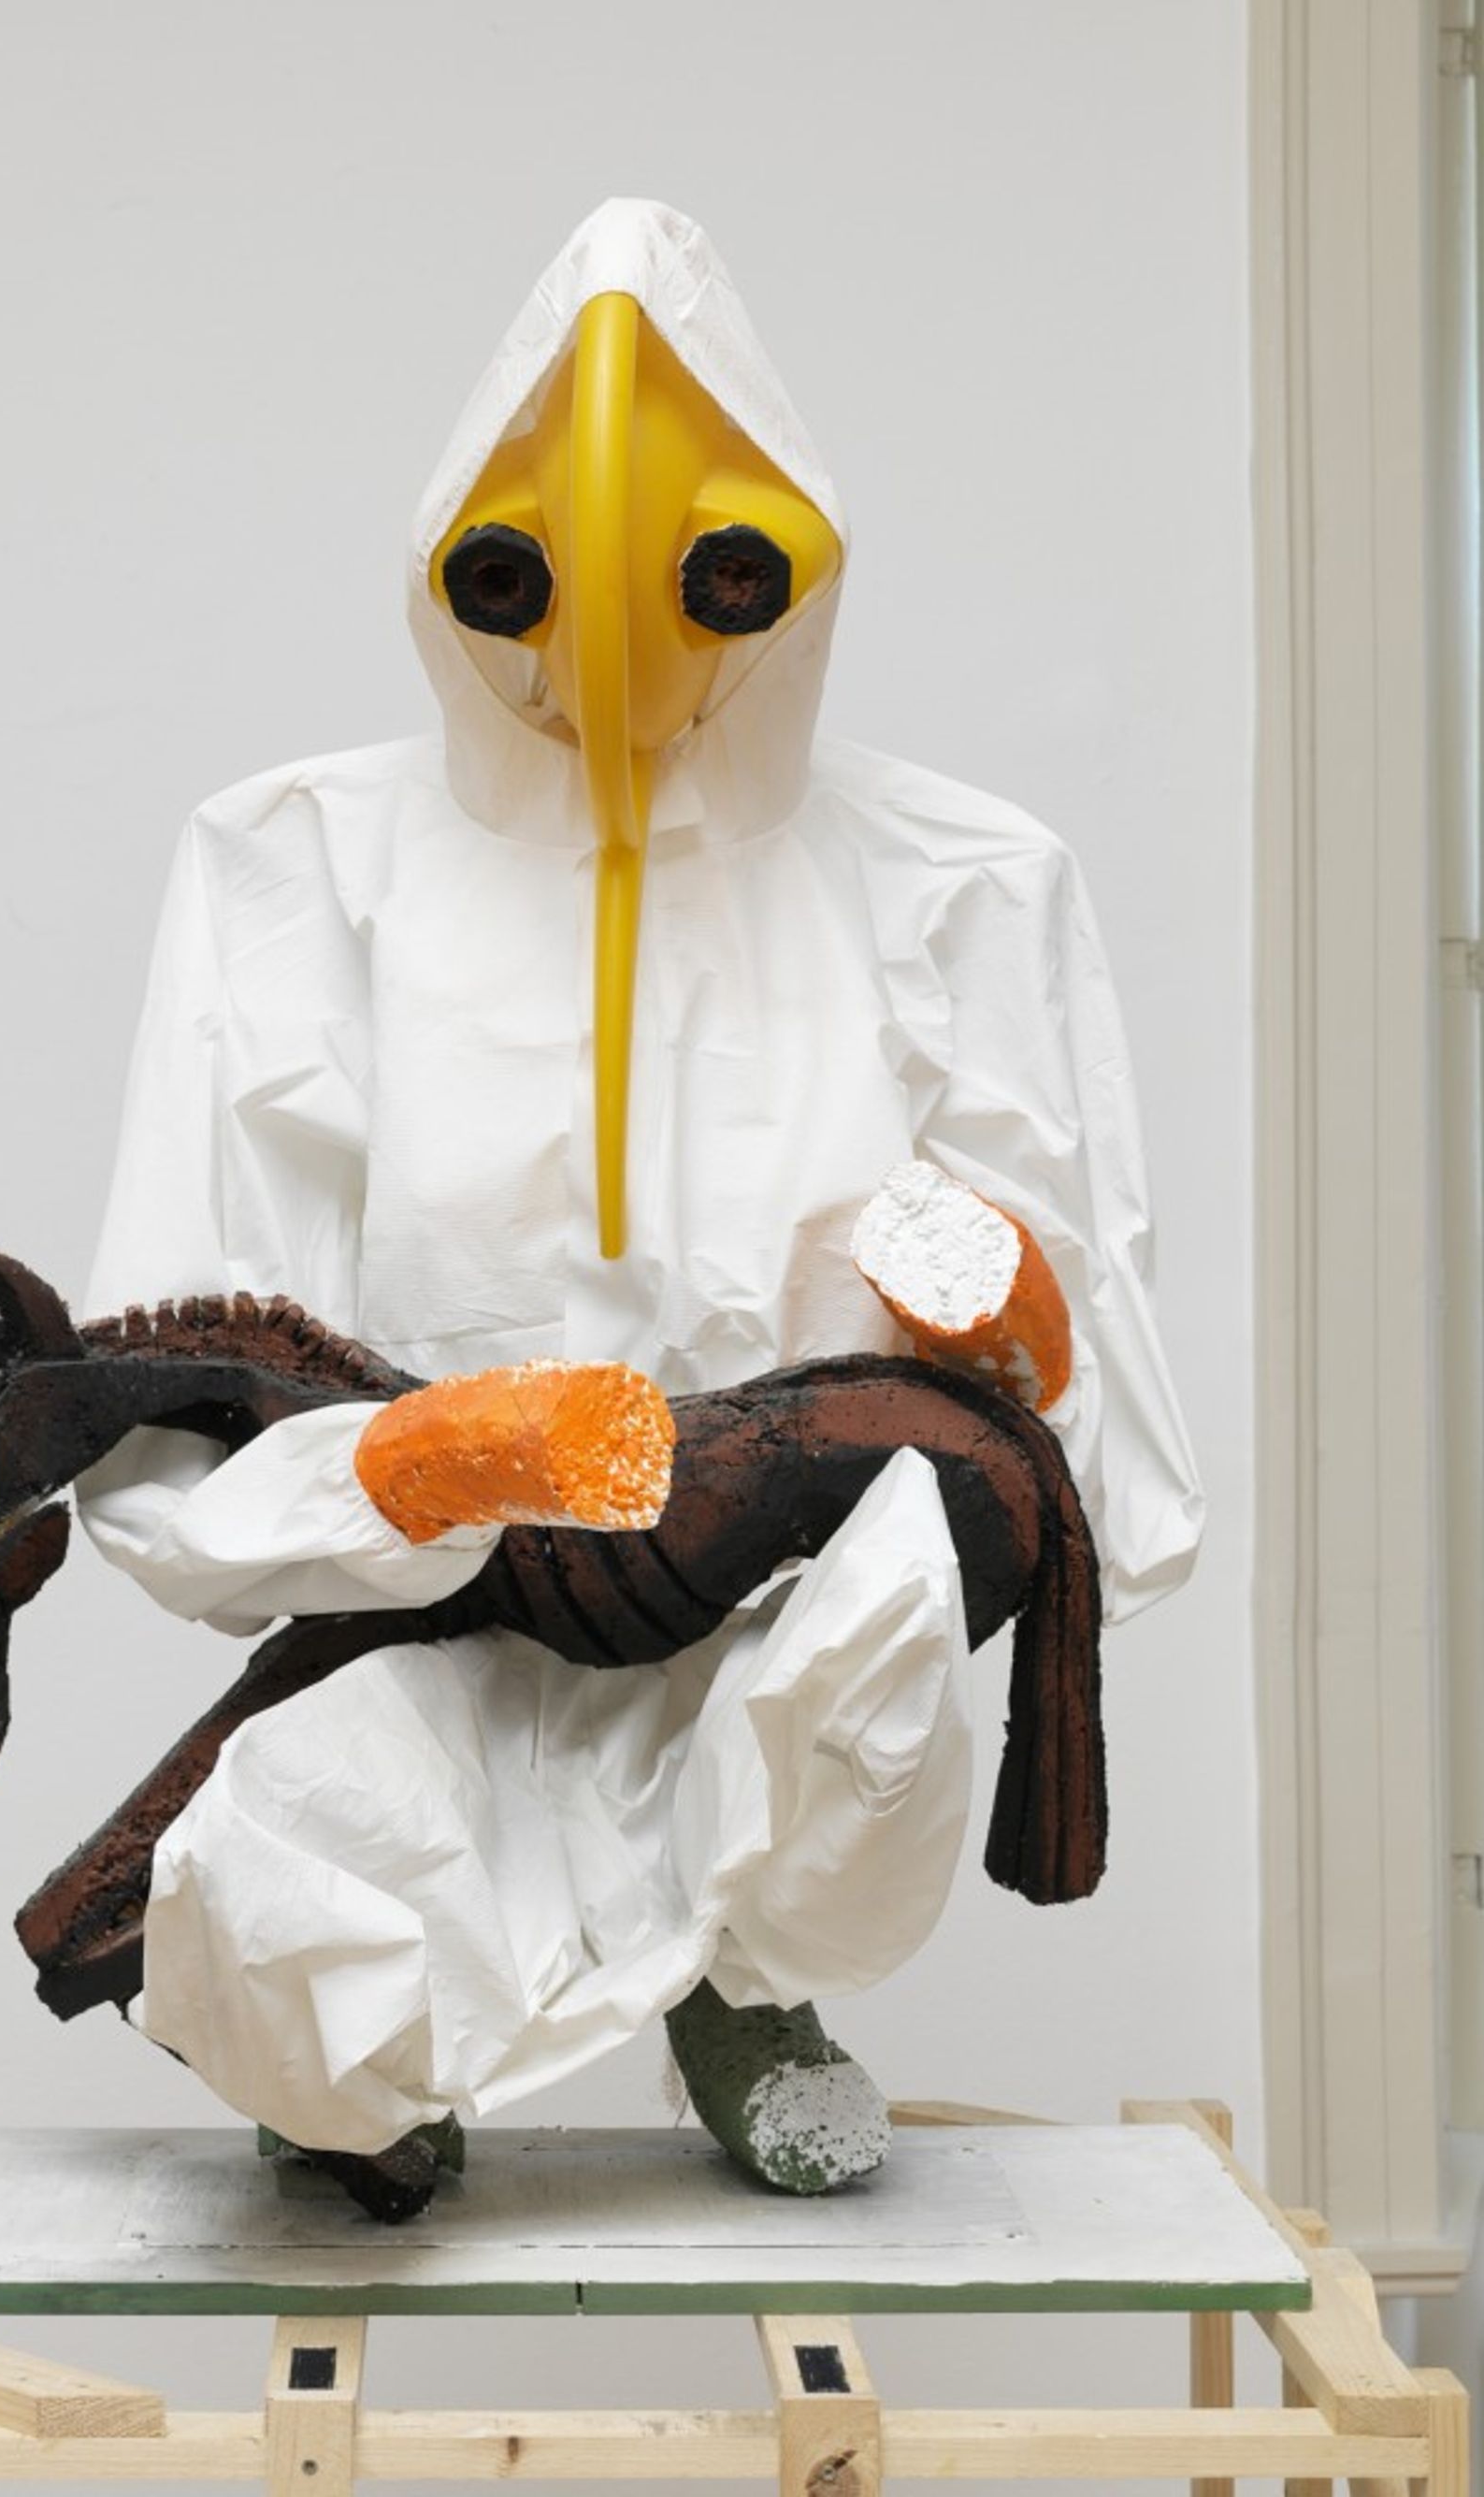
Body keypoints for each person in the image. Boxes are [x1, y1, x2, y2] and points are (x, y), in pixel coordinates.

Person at [75, 197, 1203, 2209]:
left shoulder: (952, 879)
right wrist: (416, 1462)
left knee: (887, 1628)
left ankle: (745, 1988)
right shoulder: (301, 862)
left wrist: (1006, 1322)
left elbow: (1088, 1403)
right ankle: (378, 2053)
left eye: (709, 578)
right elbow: (169, 1373)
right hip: (441, 1602)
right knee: (258, 1926)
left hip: (772, 1604)